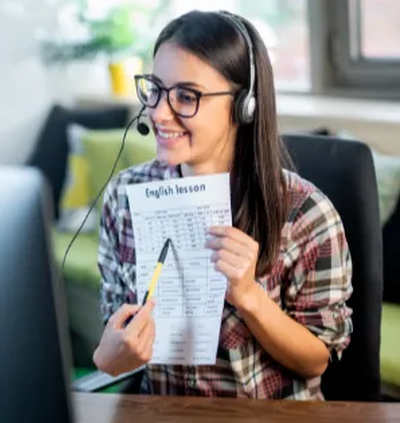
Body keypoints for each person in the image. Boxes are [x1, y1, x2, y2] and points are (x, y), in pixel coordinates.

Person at [92, 10, 353, 400]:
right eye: (155, 89)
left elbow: (316, 360)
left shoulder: (306, 214)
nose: (159, 113)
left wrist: (250, 297)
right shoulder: (124, 197)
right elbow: (115, 345)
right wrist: (109, 357)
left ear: (243, 106)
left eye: (186, 95)